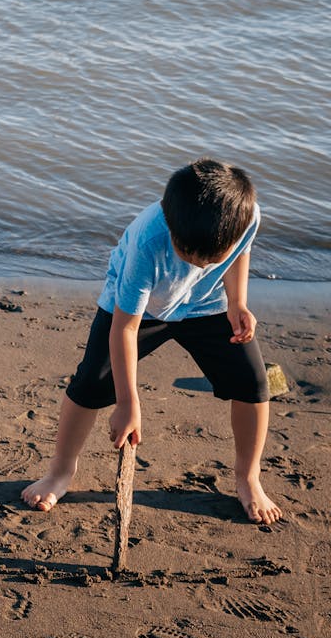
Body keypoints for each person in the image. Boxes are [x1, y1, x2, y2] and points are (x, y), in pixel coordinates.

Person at [22, 159, 282, 525]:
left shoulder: (246, 216)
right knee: (91, 384)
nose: (194, 262)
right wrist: (128, 403)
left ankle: (248, 478)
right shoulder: (149, 241)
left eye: (206, 258)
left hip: (206, 304)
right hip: (140, 309)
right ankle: (60, 472)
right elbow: (125, 329)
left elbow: (240, 254)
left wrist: (237, 302)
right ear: (168, 219)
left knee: (252, 382)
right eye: (185, 251)